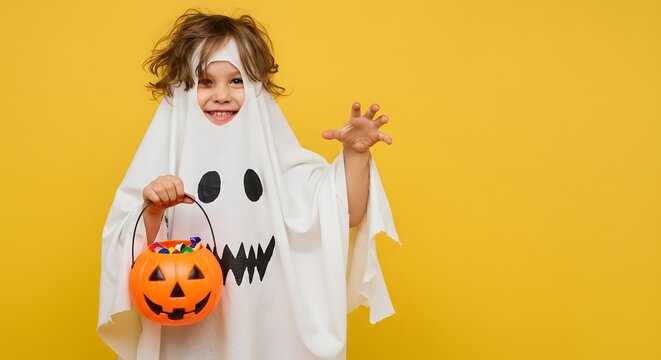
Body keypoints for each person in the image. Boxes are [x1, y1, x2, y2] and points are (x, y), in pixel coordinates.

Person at [98, 9, 399, 360]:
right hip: (191, 342)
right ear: (182, 90)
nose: (222, 95)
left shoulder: (282, 167)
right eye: (205, 81)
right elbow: (131, 259)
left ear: (257, 88)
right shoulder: (159, 166)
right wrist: (152, 210)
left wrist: (355, 155)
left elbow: (345, 212)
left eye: (236, 80)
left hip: (268, 336)